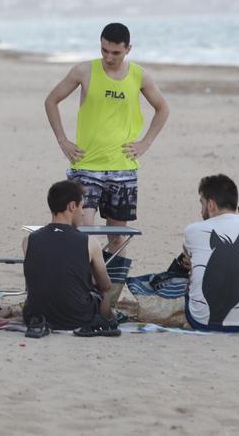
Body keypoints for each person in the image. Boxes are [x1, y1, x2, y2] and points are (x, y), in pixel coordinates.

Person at [42, 22, 170, 297]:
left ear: (128, 49)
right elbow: (51, 100)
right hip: (86, 166)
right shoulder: (83, 71)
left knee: (118, 239)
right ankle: (80, 290)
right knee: (83, 231)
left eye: (115, 52)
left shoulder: (139, 76)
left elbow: (162, 108)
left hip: (123, 169)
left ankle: (108, 297)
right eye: (104, 50)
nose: (109, 57)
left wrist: (145, 143)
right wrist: (63, 140)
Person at [21, 180, 119, 337]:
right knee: (104, 292)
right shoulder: (90, 242)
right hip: (78, 317)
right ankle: (107, 320)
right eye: (82, 207)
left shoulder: (29, 240)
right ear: (72, 206)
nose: (82, 212)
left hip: (35, 314)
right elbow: (105, 284)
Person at [184, 174, 239, 331]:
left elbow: (191, 260)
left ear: (211, 205)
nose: (201, 211)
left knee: (189, 280)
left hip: (201, 321)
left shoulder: (192, 230)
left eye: (202, 203)